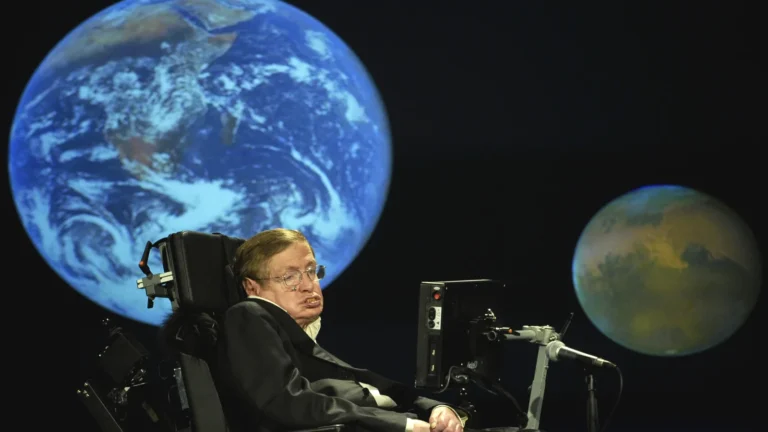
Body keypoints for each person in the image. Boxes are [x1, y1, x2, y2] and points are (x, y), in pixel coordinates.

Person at [216, 228, 469, 432]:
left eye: (311, 271)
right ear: (252, 288)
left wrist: (436, 409)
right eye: (290, 277)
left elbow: (385, 390)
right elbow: (287, 401)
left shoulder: (298, 342)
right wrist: (402, 425)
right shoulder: (248, 314)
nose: (308, 286)